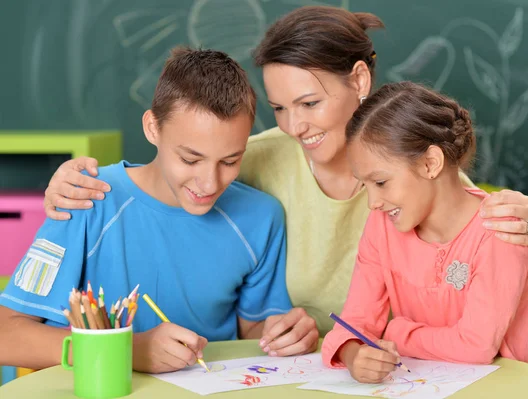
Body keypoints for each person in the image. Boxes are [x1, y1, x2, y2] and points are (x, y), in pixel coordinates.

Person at [39, 6, 528, 355]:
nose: (293, 127)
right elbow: (178, 167)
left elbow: (489, 291)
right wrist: (75, 181)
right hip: (305, 372)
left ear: (359, 80)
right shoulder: (249, 160)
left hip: (404, 372)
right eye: (280, 108)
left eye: (309, 103)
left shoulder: (415, 173)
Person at [0, 47, 317, 374]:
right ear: (153, 128)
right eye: (190, 159)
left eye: (230, 160)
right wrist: (125, 351)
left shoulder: (261, 218)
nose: (209, 183)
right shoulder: (85, 198)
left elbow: (253, 331)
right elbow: (6, 334)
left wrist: (284, 336)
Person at [321, 82, 528, 384]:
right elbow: (354, 322)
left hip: (505, 388)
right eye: (365, 185)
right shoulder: (382, 228)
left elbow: (476, 346)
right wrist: (354, 354)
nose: (372, 203)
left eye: (381, 183)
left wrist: (396, 332)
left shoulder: (502, 229)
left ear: (430, 163)